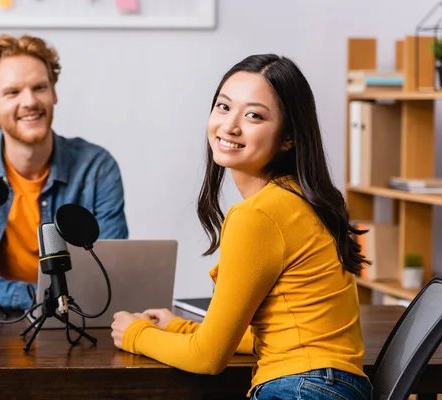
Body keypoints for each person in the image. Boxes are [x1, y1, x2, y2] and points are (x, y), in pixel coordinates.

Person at [111, 54, 372, 399]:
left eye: (253, 115)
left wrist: (135, 334)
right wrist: (180, 327)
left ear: (288, 137)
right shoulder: (301, 199)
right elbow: (282, 333)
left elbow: (208, 358)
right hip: (334, 386)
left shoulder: (260, 214)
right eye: (223, 107)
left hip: (302, 389)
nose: (230, 126)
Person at [0, 34, 128, 311]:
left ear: (54, 93)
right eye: (12, 92)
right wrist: (44, 297)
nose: (30, 101)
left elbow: (109, 275)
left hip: (75, 323)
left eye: (39, 87)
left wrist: (50, 301)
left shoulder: (97, 167)